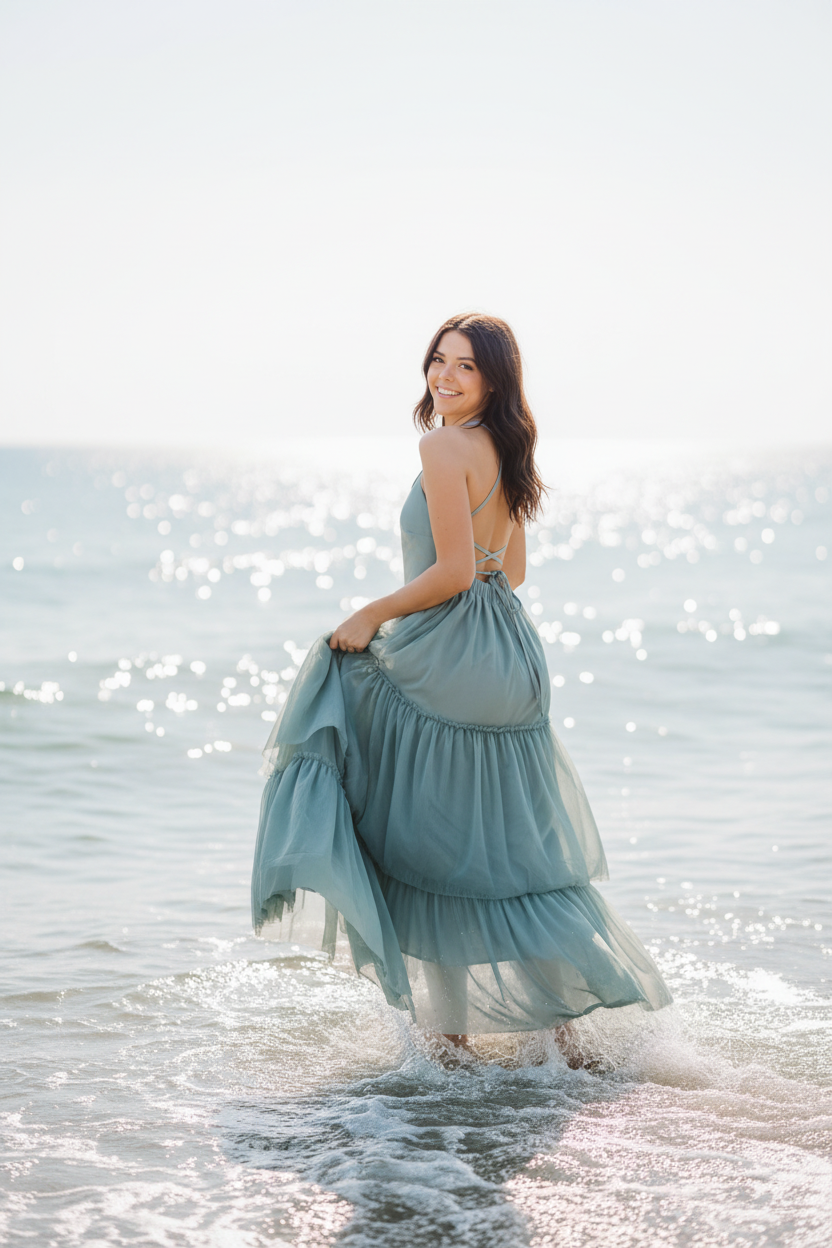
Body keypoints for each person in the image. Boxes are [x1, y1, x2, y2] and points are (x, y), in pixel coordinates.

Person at [251, 312, 672, 1054]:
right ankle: (566, 1039)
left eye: (465, 367)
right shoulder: (505, 447)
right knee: (511, 849)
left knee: (396, 792)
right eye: (437, 361)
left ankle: (448, 1044)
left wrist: (370, 613)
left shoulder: (443, 445)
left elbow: (449, 574)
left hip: (455, 653)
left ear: (493, 380)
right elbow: (507, 571)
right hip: (509, 653)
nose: (443, 377)